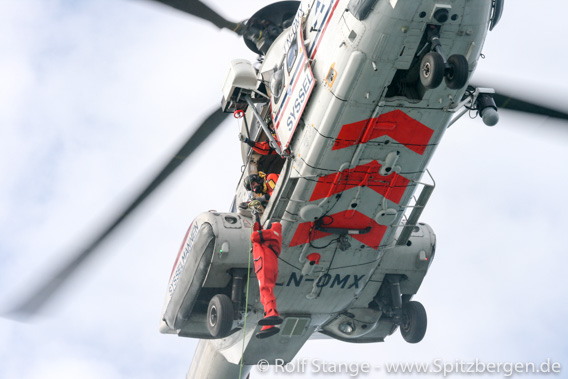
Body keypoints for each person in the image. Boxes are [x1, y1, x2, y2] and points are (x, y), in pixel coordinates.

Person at [251, 220, 283, 339]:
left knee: (266, 289)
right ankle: (269, 322)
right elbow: (258, 233)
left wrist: (257, 228)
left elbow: (254, 236)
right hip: (270, 262)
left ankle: (272, 313)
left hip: (264, 262)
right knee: (265, 293)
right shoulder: (273, 236)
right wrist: (258, 225)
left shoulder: (272, 233)